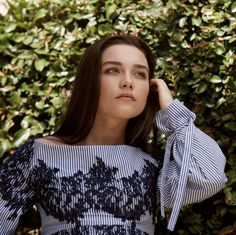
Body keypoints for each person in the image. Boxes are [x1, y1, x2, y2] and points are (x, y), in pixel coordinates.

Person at [0, 34, 227, 235]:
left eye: (140, 74)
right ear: (89, 82)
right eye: (112, 70)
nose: (128, 81)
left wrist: (173, 113)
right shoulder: (39, 154)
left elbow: (210, 177)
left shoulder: (154, 165)